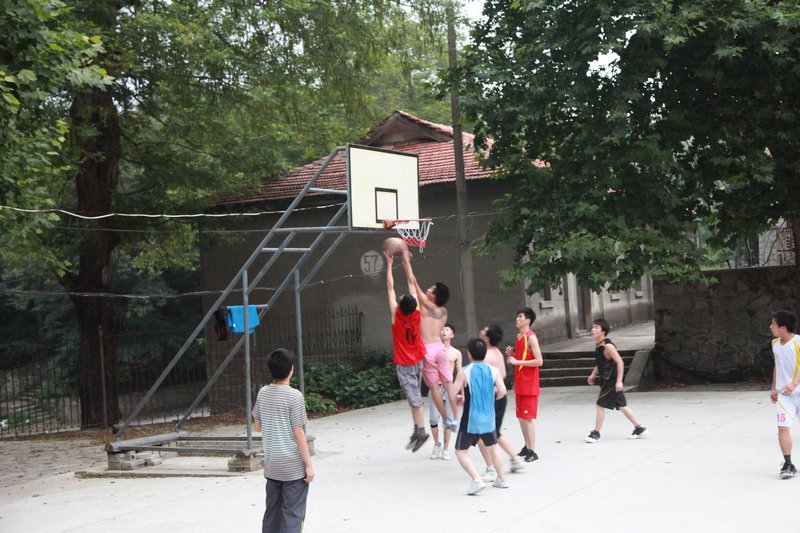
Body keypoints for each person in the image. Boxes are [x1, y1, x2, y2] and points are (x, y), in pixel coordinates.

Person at [252, 348, 314, 533]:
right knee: (292, 514)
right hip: (293, 468)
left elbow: (257, 426)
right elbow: (298, 432)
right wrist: (309, 465)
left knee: (272, 514)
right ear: (291, 369)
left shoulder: (263, 392)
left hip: (272, 465)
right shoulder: (295, 396)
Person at [401, 252, 459, 432]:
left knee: (434, 387)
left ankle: (446, 419)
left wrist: (406, 262)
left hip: (427, 350)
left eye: (431, 289)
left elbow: (412, 283)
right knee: (448, 384)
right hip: (441, 348)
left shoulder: (425, 306)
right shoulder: (443, 312)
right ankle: (456, 419)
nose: (428, 289)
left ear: (434, 296)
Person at [384, 251, 430, 452]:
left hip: (405, 364)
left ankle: (422, 431)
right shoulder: (416, 313)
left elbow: (390, 287)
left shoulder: (396, 316)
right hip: (418, 360)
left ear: (400, 306)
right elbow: (411, 282)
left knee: (416, 400)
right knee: (414, 397)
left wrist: (389, 264)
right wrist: (405, 262)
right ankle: (416, 430)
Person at [453, 337, 509, 495]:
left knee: (460, 451)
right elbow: (502, 391)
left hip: (471, 419)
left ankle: (477, 480)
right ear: (484, 353)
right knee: (493, 448)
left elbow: (453, 392)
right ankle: (501, 479)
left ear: (469, 353)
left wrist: (458, 398)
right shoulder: (494, 370)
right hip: (489, 417)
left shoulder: (465, 371)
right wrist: (492, 399)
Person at [584, 317, 647, 443]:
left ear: (603, 331)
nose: (593, 329)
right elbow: (601, 363)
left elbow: (620, 362)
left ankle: (596, 433)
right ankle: (639, 428)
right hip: (606, 380)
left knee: (600, 404)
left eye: (596, 327)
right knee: (622, 405)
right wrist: (593, 375)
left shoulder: (608, 346)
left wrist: (619, 381)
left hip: (611, 382)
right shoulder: (599, 345)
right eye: (593, 327)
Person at [478, 323, 523, 481]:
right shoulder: (496, 352)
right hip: (499, 397)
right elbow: (502, 374)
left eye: (484, 330)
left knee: (482, 434)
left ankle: (491, 468)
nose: (481, 330)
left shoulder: (486, 355)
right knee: (494, 433)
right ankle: (515, 459)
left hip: (490, 398)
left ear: (487, 337)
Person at [505, 307, 543, 462]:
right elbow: (524, 356)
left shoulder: (531, 337)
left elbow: (539, 361)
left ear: (527, 321)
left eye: (520, 316)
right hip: (520, 383)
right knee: (521, 417)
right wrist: (513, 354)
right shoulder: (520, 336)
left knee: (527, 419)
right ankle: (527, 447)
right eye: (517, 316)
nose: (517, 319)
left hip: (529, 385)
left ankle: (533, 451)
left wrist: (517, 361)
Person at [769, 309, 800, 479]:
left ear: (783, 327)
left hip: (798, 391)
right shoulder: (775, 344)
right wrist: (774, 387)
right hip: (784, 396)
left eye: (773, 324)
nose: (770, 327)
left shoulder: (799, 342)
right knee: (782, 428)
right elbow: (778, 366)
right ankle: (788, 464)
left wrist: (794, 383)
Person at [429, 322, 463, 460]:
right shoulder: (433, 350)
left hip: (449, 388)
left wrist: (462, 392)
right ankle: (436, 444)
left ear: (452, 335)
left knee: (448, 418)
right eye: (442, 329)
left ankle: (445, 448)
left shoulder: (456, 353)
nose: (443, 331)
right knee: (433, 418)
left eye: (447, 330)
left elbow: (460, 373)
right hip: (435, 387)